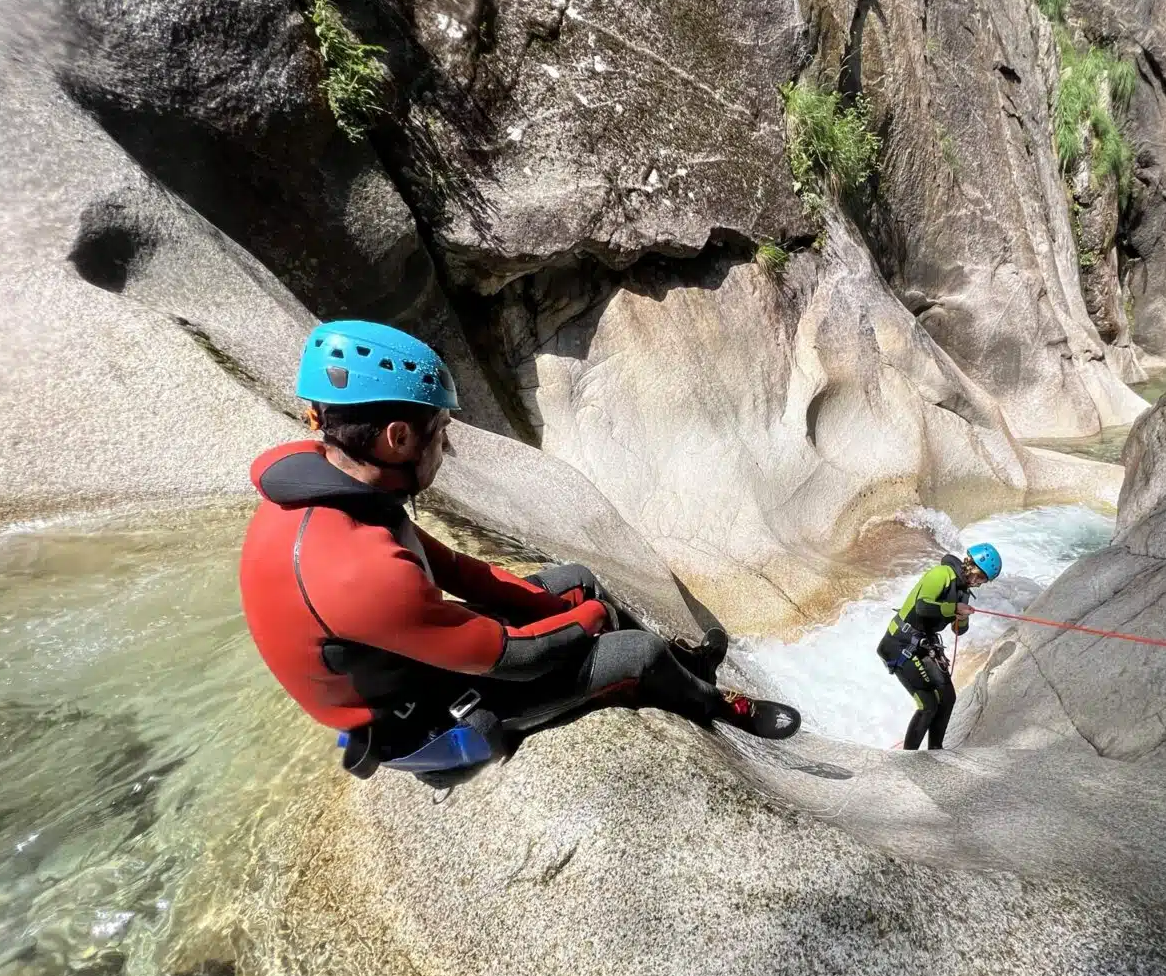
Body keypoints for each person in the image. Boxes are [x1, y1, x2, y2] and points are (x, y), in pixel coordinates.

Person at [239, 319, 801, 786]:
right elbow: (512, 656)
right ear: (397, 438)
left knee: (576, 579)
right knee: (639, 654)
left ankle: (691, 670)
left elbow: (460, 570)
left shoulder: (336, 493)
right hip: (428, 722)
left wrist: (565, 605)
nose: (448, 445)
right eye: (440, 430)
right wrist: (590, 623)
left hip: (415, 659)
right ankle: (714, 704)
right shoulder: (354, 569)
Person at [877, 543, 1002, 751]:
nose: (979, 583)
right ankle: (907, 759)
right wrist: (953, 608)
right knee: (928, 705)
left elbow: (958, 631)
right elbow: (923, 607)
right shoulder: (941, 574)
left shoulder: (963, 592)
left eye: (983, 581)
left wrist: (961, 617)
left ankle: (936, 750)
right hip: (898, 643)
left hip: (920, 645)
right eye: (979, 577)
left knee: (948, 698)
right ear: (971, 565)